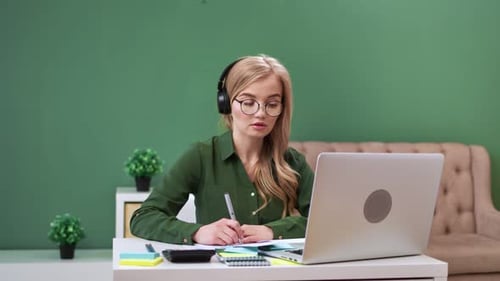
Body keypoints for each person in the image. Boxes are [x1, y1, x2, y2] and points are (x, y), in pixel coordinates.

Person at [130, 54, 314, 245]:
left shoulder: (293, 162)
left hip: (275, 273)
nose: (261, 113)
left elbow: (329, 223)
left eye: (272, 104)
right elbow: (143, 218)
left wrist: (273, 231)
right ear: (226, 103)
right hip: (217, 272)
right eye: (248, 102)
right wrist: (197, 232)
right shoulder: (201, 156)